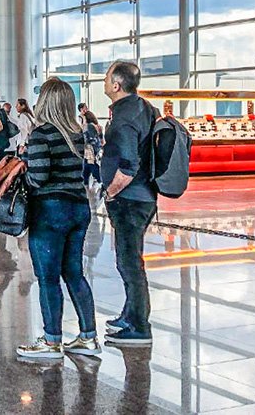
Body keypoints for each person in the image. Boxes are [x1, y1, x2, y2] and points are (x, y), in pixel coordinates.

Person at [16, 78, 100, 359]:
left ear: (46, 103)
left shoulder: (42, 134)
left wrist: (21, 171)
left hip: (51, 210)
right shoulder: (76, 133)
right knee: (74, 273)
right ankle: (88, 336)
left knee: (48, 277)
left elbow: (38, 178)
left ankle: (52, 340)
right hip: (79, 207)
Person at [101, 61, 158, 346]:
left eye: (107, 77)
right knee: (130, 259)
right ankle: (130, 313)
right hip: (145, 196)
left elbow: (128, 164)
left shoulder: (123, 118)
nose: (104, 81)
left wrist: (110, 191)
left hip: (130, 199)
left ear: (116, 85)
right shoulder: (144, 107)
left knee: (129, 262)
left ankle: (139, 325)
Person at [82, 110, 103, 188]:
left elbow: (91, 139)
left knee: (91, 167)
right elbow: (101, 138)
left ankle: (97, 182)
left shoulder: (89, 126)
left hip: (90, 150)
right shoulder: (96, 125)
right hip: (95, 149)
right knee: (87, 168)